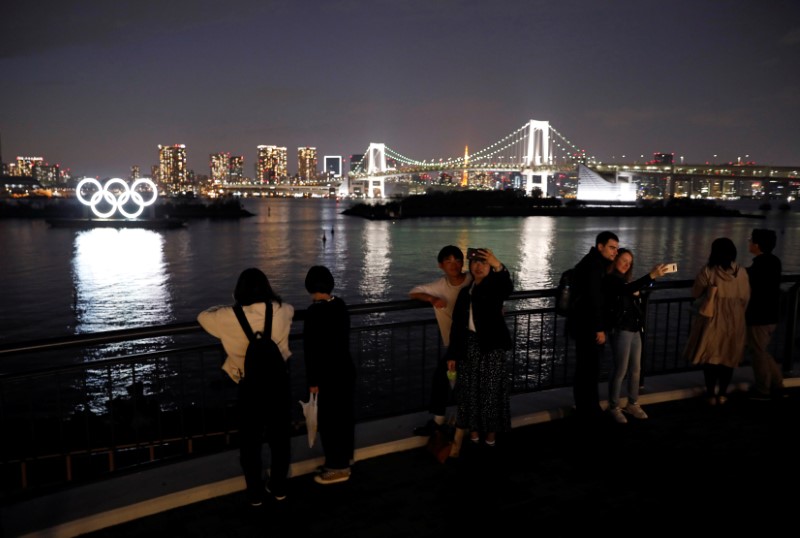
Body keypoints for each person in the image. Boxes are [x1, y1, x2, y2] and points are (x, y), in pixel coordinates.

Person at [197, 268, 295, 506]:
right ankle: (279, 486)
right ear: (267, 288)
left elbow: (202, 317)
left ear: (238, 291)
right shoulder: (282, 310)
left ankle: (255, 492)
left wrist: (229, 306)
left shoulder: (228, 316)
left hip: (249, 387)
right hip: (278, 386)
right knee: (280, 439)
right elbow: (290, 308)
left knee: (250, 443)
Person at [445, 247, 513, 447]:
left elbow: (508, 287)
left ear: (490, 267)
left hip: (492, 346)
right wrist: (453, 355)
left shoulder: (495, 287)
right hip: (470, 345)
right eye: (475, 262)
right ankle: (474, 430)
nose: (478, 266)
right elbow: (457, 326)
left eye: (483, 262)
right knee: (470, 390)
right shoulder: (465, 292)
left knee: (491, 391)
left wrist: (498, 264)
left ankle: (491, 433)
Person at [409, 245, 473, 436]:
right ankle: (452, 421)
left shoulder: (472, 279)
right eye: (448, 261)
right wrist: (432, 299)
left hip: (472, 342)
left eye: (457, 260)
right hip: (455, 344)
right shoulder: (439, 286)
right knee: (446, 378)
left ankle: (445, 422)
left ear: (463, 262)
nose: (453, 264)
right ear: (441, 265)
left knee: (444, 378)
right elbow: (414, 292)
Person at [302, 265, 357, 484]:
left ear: (309, 287)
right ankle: (344, 459)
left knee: (330, 422)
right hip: (345, 369)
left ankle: (338, 468)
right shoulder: (340, 305)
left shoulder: (314, 312)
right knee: (344, 418)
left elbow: (311, 351)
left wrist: (312, 381)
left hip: (327, 375)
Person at [603, 248, 669, 424]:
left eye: (629, 262)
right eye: (623, 260)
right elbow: (624, 290)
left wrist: (646, 284)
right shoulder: (611, 280)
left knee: (636, 369)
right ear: (615, 260)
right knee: (620, 369)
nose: (626, 264)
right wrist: (650, 276)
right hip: (621, 328)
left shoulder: (626, 282)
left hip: (634, 328)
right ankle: (614, 406)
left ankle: (633, 402)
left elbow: (633, 290)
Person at [683, 237, 750, 405]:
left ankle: (711, 394)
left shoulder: (708, 271)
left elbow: (696, 292)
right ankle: (723, 394)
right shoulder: (741, 272)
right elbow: (745, 297)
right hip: (735, 320)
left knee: (710, 358)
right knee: (728, 357)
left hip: (712, 320)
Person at [567, 230, 619, 422]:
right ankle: (590, 411)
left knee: (584, 370)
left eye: (617, 248)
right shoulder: (595, 266)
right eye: (612, 248)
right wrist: (599, 328)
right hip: (588, 327)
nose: (615, 252)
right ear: (600, 247)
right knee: (589, 370)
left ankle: (586, 409)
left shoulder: (590, 262)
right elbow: (594, 299)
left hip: (581, 325)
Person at [745, 228, 784, 400]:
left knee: (758, 352)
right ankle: (777, 383)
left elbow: (751, 283)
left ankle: (763, 389)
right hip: (771, 313)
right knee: (762, 349)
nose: (748, 243)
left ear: (757, 245)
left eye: (750, 240)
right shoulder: (774, 261)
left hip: (759, 315)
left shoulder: (759, 265)